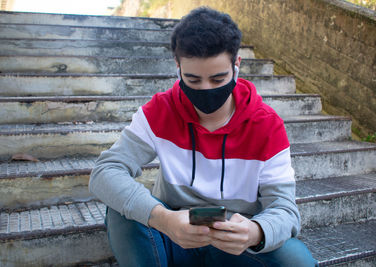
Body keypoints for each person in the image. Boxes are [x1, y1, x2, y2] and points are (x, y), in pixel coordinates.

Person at [89, 6, 317, 267]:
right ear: (178, 67)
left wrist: (255, 232)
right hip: (171, 235)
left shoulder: (267, 126)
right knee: (121, 209)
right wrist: (163, 218)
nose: (206, 90)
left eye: (218, 78)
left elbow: (285, 210)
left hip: (234, 247)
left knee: (296, 261)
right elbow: (105, 171)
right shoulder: (159, 111)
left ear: (237, 65)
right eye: (193, 80)